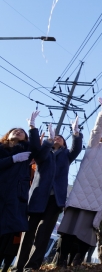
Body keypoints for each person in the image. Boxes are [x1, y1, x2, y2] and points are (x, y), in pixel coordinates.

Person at [56, 98, 102, 266]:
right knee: (68, 229)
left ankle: (77, 260)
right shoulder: (93, 147)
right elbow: (96, 130)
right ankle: (62, 259)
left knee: (86, 231)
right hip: (80, 195)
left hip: (97, 199)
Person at [15, 118, 83, 272]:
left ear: (65, 144)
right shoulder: (43, 153)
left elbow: (77, 148)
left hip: (55, 200)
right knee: (28, 233)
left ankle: (32, 266)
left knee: (43, 234)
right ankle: (17, 267)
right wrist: (33, 128)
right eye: (54, 137)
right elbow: (36, 151)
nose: (57, 138)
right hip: (37, 197)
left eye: (60, 138)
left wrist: (76, 133)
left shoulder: (67, 155)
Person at [0, 112, 42, 272]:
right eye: (14, 130)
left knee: (11, 235)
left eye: (21, 131)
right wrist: (12, 159)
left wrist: (32, 127)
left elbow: (38, 149)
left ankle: (6, 266)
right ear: (7, 135)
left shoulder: (28, 151)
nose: (18, 131)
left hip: (16, 198)